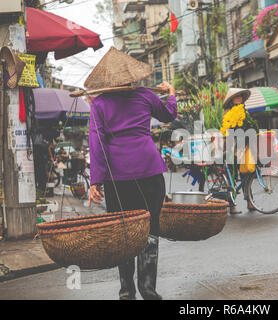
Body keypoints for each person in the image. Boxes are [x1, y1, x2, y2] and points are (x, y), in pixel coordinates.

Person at [87, 47, 177, 300]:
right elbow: (169, 113)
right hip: (149, 168)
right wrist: (171, 94)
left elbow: (97, 143)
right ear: (131, 76)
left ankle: (127, 291)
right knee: (150, 229)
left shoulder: (100, 104)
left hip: (118, 176)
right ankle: (148, 287)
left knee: (122, 232)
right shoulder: (145, 96)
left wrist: (96, 180)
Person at [222, 88, 257, 214]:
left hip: (243, 146)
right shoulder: (227, 112)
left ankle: (249, 201)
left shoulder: (244, 111)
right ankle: (231, 205)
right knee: (231, 176)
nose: (240, 98)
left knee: (246, 175)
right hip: (231, 147)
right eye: (237, 96)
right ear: (232, 99)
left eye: (241, 96)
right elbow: (228, 130)